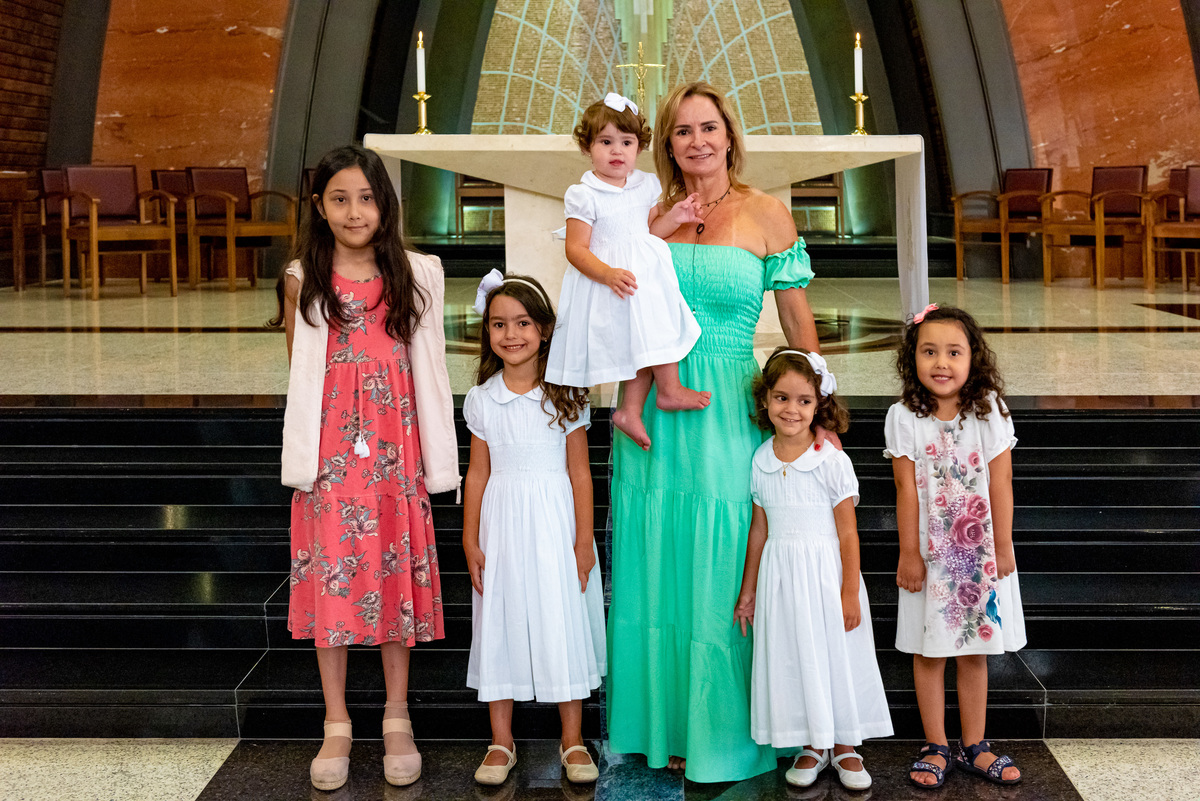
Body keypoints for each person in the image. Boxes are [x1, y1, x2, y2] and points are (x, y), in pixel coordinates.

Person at [607, 81, 821, 783]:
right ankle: (663, 721)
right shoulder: (646, 212)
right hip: (653, 399)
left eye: (708, 127)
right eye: (681, 131)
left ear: (729, 134)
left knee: (728, 550)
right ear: (666, 144)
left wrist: (823, 413)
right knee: (657, 551)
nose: (696, 140)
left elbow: (795, 323)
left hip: (729, 396)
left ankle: (726, 727)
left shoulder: (766, 213)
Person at [271, 145, 459, 791]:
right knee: (334, 585)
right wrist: (316, 456)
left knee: (390, 580)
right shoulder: (304, 276)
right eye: (340, 198)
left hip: (394, 455)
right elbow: (303, 377)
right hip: (330, 462)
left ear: (386, 204)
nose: (355, 211)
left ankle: (396, 716)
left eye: (367, 197)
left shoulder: (417, 273)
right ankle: (336, 721)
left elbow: (429, 368)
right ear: (319, 208)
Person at [462, 271, 606, 786]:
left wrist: (583, 540)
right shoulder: (482, 400)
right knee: (499, 619)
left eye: (523, 322)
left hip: (555, 525)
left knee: (558, 618)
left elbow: (580, 473)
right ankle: (501, 739)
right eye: (499, 324)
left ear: (545, 329)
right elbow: (477, 474)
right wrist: (470, 538)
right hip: (502, 527)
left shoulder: (565, 396)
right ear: (488, 333)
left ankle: (572, 738)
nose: (511, 334)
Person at [734, 348, 892, 791]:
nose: (792, 409)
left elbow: (847, 534)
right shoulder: (761, 461)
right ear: (765, 400)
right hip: (781, 580)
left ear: (819, 405)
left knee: (833, 656)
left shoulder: (831, 461)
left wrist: (847, 591)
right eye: (782, 398)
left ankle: (843, 744)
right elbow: (759, 532)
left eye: (804, 400)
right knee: (795, 654)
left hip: (826, 577)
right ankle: (812, 743)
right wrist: (748, 592)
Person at [884, 304, 1026, 789]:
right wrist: (909, 554)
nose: (941, 362)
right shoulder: (904, 417)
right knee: (930, 652)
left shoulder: (989, 411)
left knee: (974, 651)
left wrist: (1002, 546)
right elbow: (906, 490)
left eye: (953, 352)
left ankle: (975, 744)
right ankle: (935, 745)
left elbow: (1001, 480)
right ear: (913, 359)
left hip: (979, 556)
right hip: (930, 556)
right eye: (929, 352)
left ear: (973, 359)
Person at [547, 92, 707, 451]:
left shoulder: (646, 184)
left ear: (639, 146)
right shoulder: (584, 194)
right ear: (588, 147)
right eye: (605, 142)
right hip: (612, 281)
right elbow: (575, 248)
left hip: (646, 275)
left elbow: (650, 230)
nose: (617, 150)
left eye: (626, 142)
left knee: (651, 337)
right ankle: (661, 393)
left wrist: (676, 216)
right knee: (639, 342)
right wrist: (606, 274)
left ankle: (635, 408)